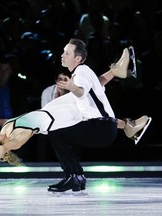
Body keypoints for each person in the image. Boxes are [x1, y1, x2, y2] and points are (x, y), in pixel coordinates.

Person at [0, 47, 150, 176]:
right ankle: (127, 120)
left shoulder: (5, 131)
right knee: (89, 101)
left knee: (89, 92)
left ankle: (125, 107)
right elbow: (2, 151)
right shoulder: (15, 139)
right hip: (60, 118)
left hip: (53, 110)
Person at [46, 38, 150, 192]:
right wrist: (114, 72)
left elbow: (81, 91)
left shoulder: (80, 74)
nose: (62, 55)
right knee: (59, 131)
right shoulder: (85, 71)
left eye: (67, 53)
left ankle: (74, 176)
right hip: (105, 127)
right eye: (63, 52)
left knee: (55, 132)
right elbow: (98, 83)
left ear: (78, 58)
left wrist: (72, 86)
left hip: (100, 129)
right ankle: (76, 177)